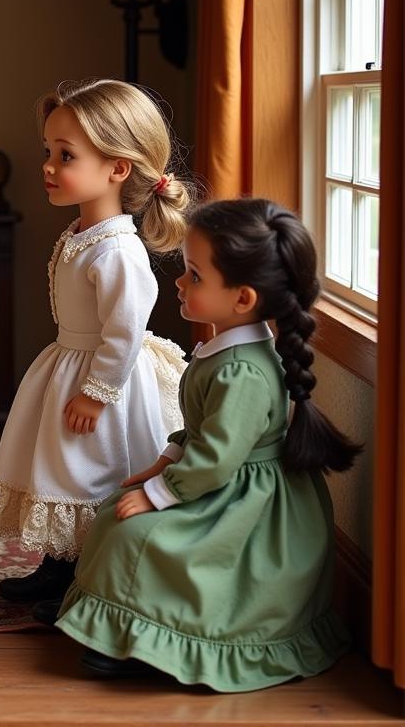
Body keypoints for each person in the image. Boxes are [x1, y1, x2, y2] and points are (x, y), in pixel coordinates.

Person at [54, 199, 359, 691]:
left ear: (242, 298)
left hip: (246, 508)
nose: (179, 282)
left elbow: (216, 459)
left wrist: (160, 493)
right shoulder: (224, 351)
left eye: (194, 275)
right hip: (217, 481)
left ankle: (164, 640)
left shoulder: (244, 371)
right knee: (113, 514)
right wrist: (164, 461)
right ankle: (119, 625)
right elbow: (199, 433)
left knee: (141, 536)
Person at [0, 79, 188, 609]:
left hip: (105, 379)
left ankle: (89, 577)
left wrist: (98, 392)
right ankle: (60, 564)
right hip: (71, 362)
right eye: (48, 151)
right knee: (60, 466)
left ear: (117, 169)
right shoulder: (80, 234)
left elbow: (124, 331)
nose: (47, 165)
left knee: (92, 470)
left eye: (65, 155)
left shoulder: (117, 250)